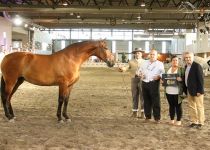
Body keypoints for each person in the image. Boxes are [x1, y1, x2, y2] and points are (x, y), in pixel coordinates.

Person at [136, 49, 165, 123]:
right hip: (144, 82)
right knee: (146, 100)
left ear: (156, 55)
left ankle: (157, 118)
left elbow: (162, 73)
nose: (152, 56)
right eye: (151, 54)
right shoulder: (144, 62)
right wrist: (140, 74)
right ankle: (148, 116)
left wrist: (159, 76)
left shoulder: (160, 63)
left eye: (153, 54)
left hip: (154, 83)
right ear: (149, 55)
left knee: (155, 101)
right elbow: (139, 70)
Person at [118, 48, 145, 118]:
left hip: (143, 80)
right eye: (136, 53)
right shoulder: (131, 61)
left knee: (143, 97)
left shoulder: (145, 62)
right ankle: (134, 112)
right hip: (134, 80)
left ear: (141, 54)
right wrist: (122, 69)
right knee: (134, 96)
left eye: (139, 53)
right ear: (134, 54)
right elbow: (126, 67)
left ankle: (143, 113)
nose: (137, 54)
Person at [183, 51, 205, 129]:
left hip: (197, 91)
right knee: (191, 106)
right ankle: (194, 121)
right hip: (189, 90)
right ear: (184, 58)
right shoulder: (186, 66)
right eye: (186, 57)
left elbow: (201, 80)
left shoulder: (197, 66)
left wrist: (200, 90)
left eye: (189, 57)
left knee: (199, 106)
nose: (188, 59)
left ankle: (201, 122)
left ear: (192, 57)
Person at [162, 55, 184, 126]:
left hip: (177, 91)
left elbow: (185, 79)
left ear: (178, 61)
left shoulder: (181, 69)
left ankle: (178, 120)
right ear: (171, 61)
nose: (175, 62)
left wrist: (181, 79)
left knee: (178, 106)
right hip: (168, 91)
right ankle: (172, 119)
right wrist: (162, 81)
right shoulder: (167, 69)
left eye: (176, 60)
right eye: (173, 60)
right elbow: (164, 78)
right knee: (171, 105)